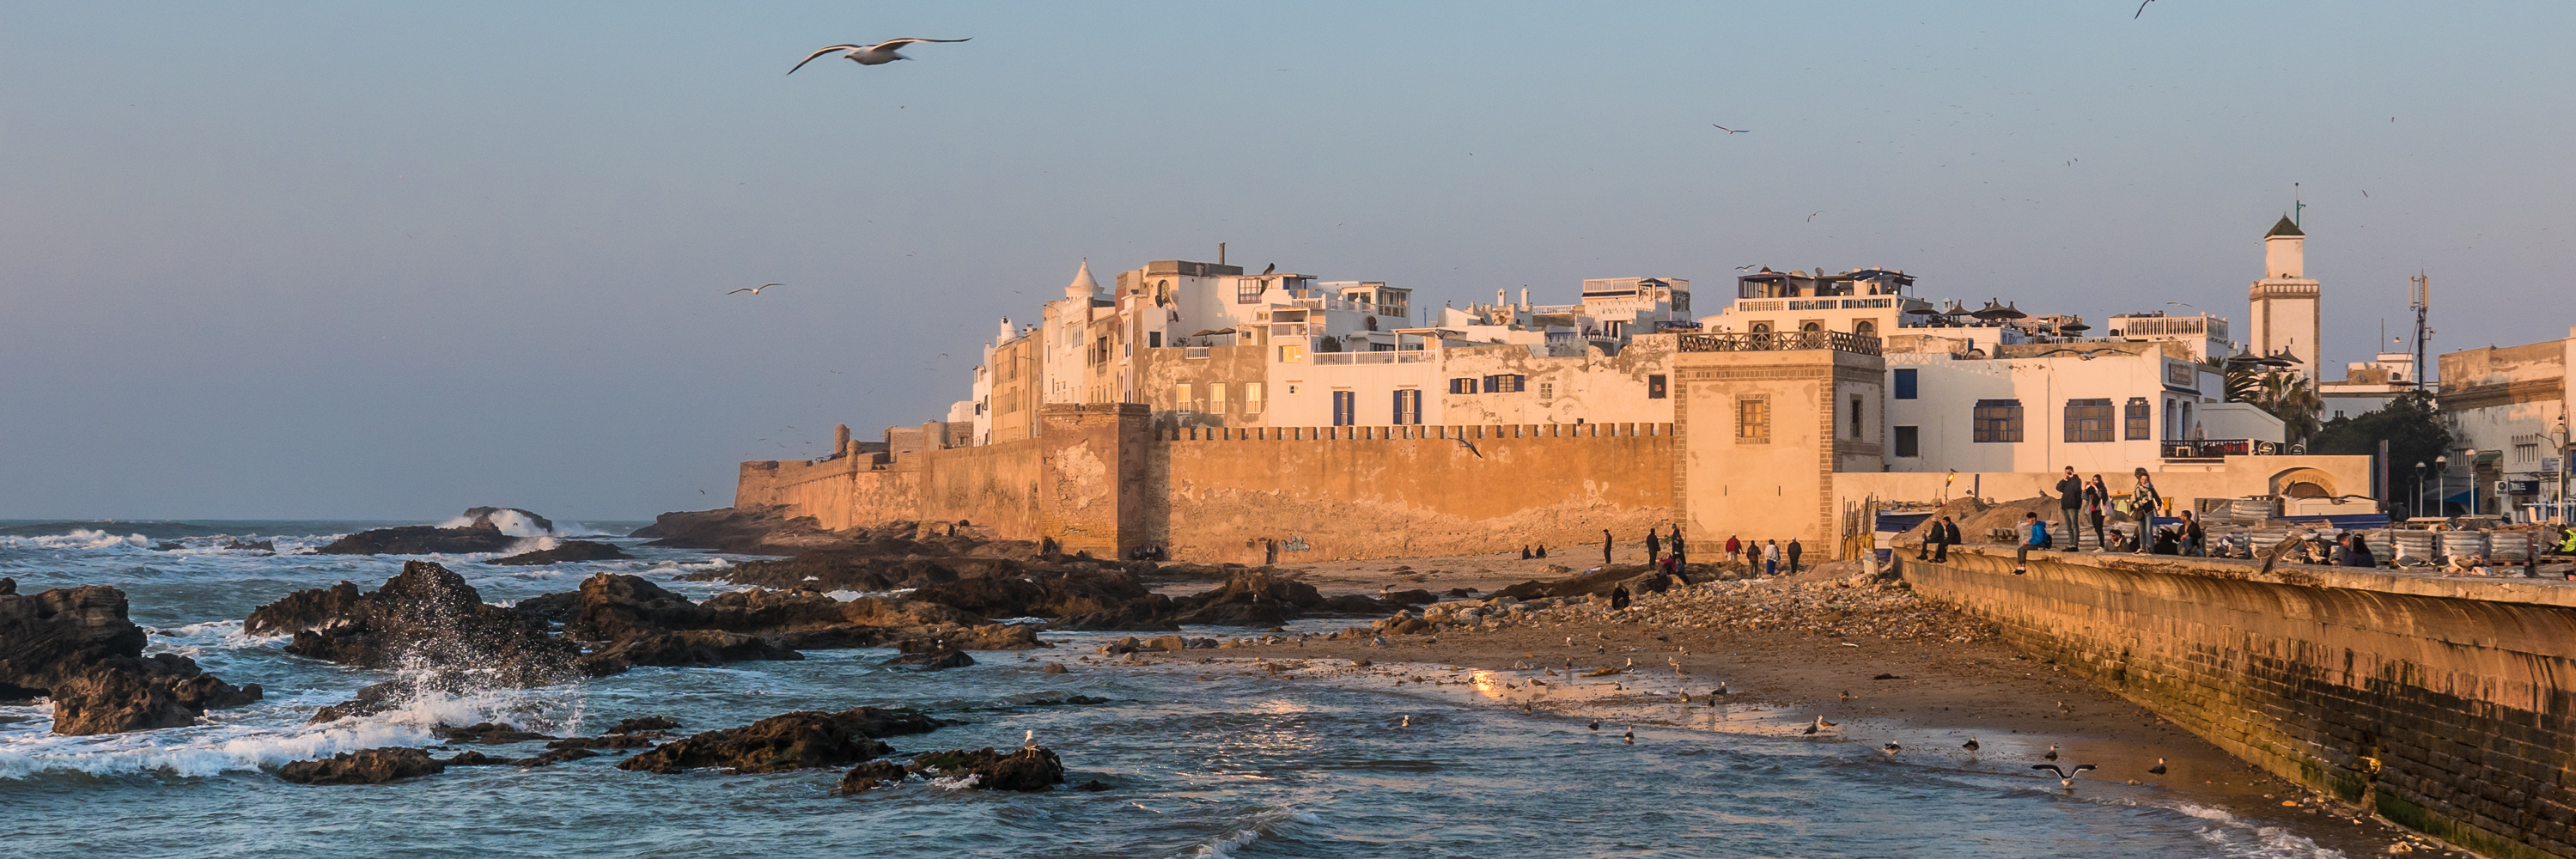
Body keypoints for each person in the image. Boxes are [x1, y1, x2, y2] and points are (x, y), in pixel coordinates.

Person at [2129, 468, 2163, 555]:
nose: (2144, 481)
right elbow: (2133, 500)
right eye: (2142, 480)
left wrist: (2159, 505)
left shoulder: (2150, 488)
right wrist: (2135, 505)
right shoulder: (2137, 489)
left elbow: (2157, 497)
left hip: (2149, 511)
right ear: (2140, 480)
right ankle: (2142, 548)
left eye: (2145, 480)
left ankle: (2150, 548)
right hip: (2139, 512)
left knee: (2148, 530)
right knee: (2141, 531)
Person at [2055, 466, 2085, 552]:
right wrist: (2064, 479)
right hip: (2065, 506)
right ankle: (2070, 544)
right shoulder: (2066, 482)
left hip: (2073, 506)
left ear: (2072, 471)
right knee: (2069, 527)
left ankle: (2075, 545)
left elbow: (2076, 489)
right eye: (2066, 472)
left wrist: (2071, 478)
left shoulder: (2077, 480)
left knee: (2074, 526)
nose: (2068, 474)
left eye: (2069, 472)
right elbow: (2058, 488)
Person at [2084, 475, 2110, 551]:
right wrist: (2085, 488)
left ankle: (2102, 546)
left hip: (2099, 510)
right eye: (2093, 480)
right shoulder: (2090, 489)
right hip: (2092, 510)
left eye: (2096, 480)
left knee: (2099, 528)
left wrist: (2095, 488)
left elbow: (2101, 495)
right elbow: (2084, 497)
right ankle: (2101, 545)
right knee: (2096, 528)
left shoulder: (2102, 488)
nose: (2095, 482)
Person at [2015, 511, 2046, 575]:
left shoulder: (2038, 527)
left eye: (2029, 519)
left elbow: (2040, 538)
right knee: (2020, 549)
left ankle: (2023, 567)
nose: (2028, 520)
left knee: (2023, 549)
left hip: (2040, 545)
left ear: (2033, 518)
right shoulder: (2035, 526)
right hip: (2036, 543)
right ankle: (2019, 566)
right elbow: (2034, 538)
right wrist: (2028, 542)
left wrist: (2030, 543)